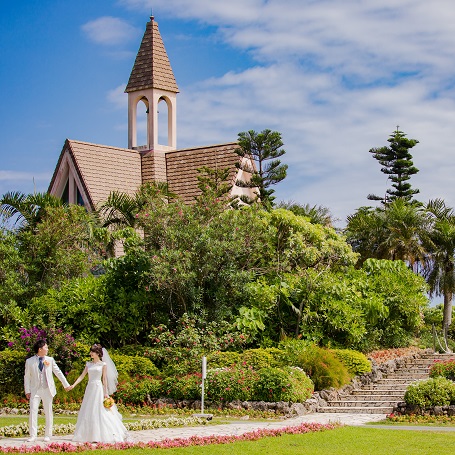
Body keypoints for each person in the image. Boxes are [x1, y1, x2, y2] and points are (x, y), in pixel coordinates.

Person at [69, 344, 128, 443]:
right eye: (91, 351)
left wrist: (105, 393)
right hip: (90, 388)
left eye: (93, 352)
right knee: (88, 410)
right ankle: (89, 435)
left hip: (98, 388)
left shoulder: (103, 365)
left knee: (99, 410)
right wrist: (73, 385)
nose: (91, 353)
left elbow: (104, 379)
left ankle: (105, 434)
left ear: (98, 353)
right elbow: (82, 376)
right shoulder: (88, 364)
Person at [24, 339, 71, 443]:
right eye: (46, 347)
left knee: (48, 412)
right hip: (35, 390)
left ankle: (48, 435)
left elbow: (58, 372)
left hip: (47, 389)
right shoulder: (30, 361)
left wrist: (66, 384)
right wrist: (27, 390)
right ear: (40, 349)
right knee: (33, 411)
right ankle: (33, 435)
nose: (47, 349)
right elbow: (27, 377)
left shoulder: (50, 359)